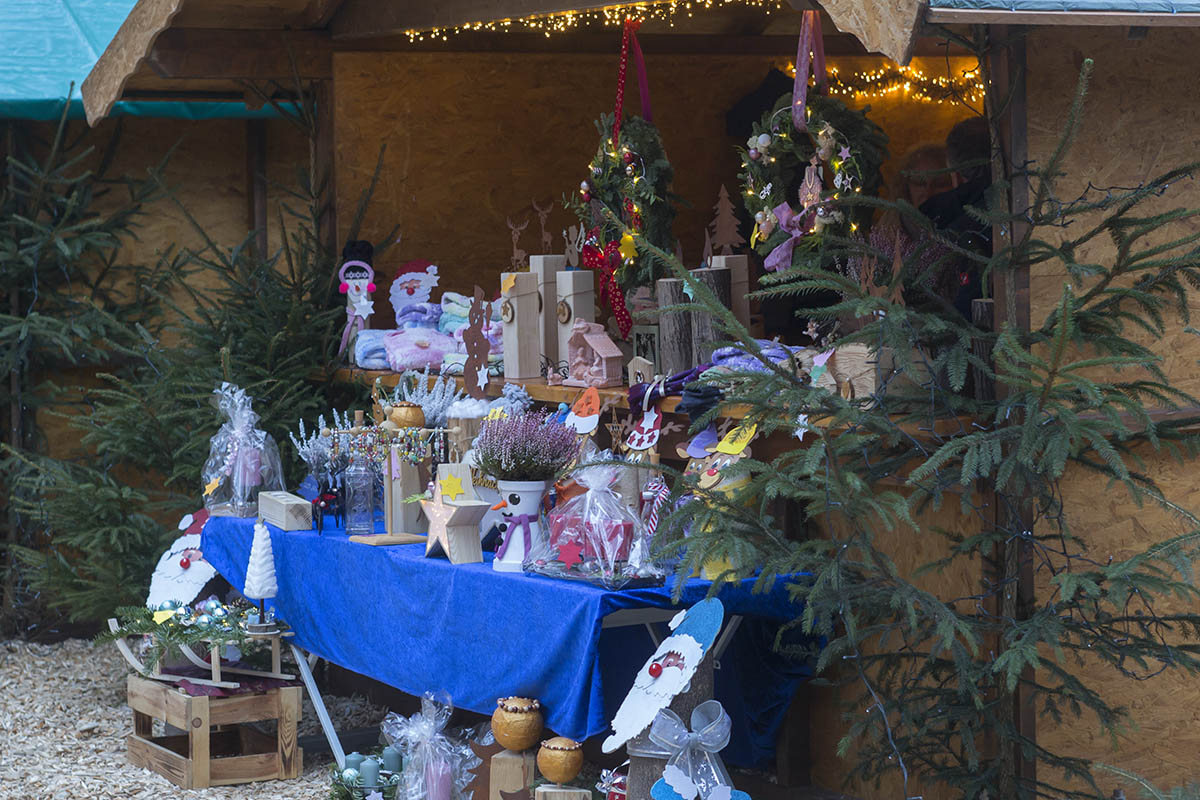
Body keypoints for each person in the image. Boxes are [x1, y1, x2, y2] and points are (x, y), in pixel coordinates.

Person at [920, 116, 993, 317]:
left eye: (939, 181)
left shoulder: (952, 231)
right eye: (919, 182)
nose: (928, 191)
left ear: (955, 175)